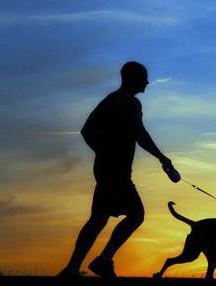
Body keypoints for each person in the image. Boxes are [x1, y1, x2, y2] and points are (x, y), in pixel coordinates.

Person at [58, 61, 180, 278]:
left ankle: (72, 268)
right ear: (132, 78)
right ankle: (103, 260)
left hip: (105, 169)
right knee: (136, 214)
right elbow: (139, 134)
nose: (147, 82)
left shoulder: (110, 100)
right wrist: (162, 158)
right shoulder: (130, 103)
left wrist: (101, 152)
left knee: (98, 219)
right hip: (117, 172)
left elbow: (86, 131)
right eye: (143, 77)